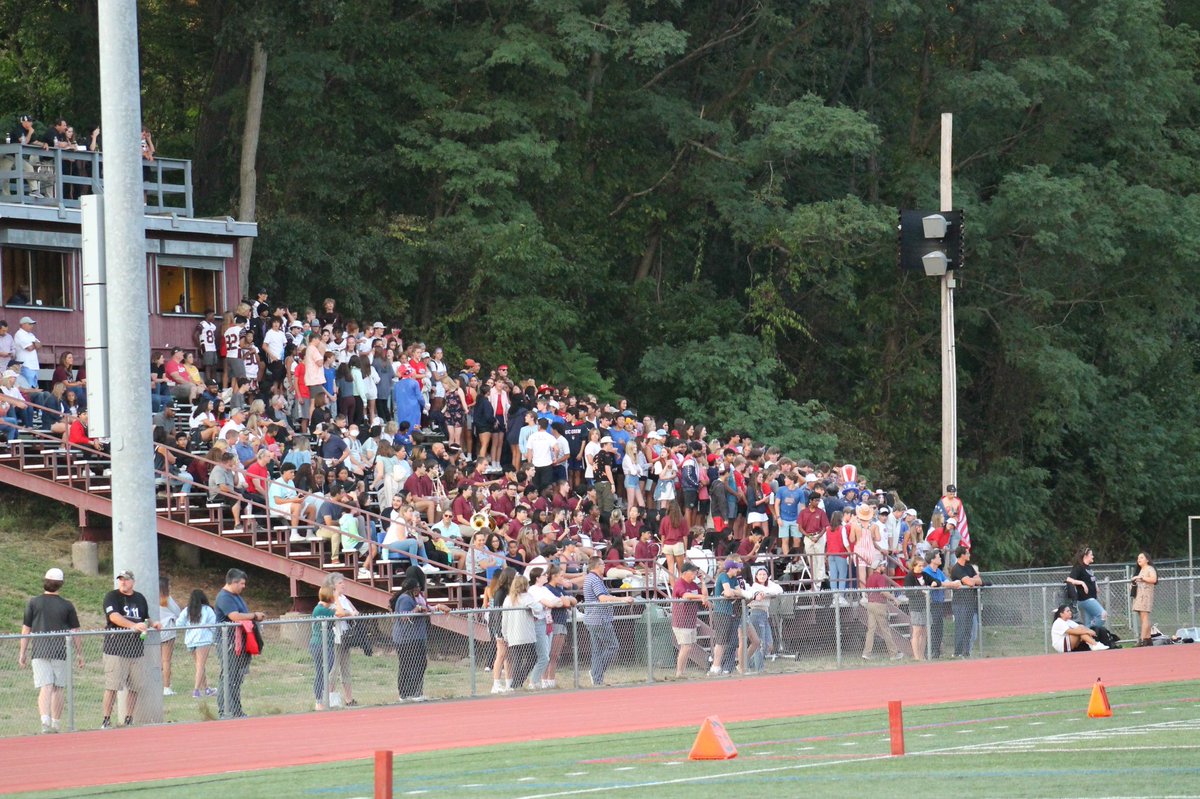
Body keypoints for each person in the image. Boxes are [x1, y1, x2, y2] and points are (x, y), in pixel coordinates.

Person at [19, 567, 83, 734]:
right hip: (60, 650)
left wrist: (22, 653)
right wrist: (79, 653)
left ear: (45, 582)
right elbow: (75, 631)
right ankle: (56, 722)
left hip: (39, 650)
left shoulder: (33, 602)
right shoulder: (67, 605)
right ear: (61, 584)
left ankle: (45, 721)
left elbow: (26, 629)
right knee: (58, 687)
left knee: (45, 686)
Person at [101, 570, 160, 728]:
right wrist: (133, 626)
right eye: (120, 580)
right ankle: (106, 719)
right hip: (116, 649)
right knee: (112, 686)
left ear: (132, 581)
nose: (123, 582)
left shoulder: (139, 598)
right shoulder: (112, 596)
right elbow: (113, 616)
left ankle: (129, 718)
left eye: (126, 580)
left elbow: (145, 617)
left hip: (135, 649)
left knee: (135, 686)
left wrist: (152, 623)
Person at [214, 568, 266, 719]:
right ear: (233, 582)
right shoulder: (224, 597)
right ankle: (225, 711)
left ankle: (236, 710)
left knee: (236, 679)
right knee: (229, 677)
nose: (244, 586)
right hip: (229, 643)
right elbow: (235, 616)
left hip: (240, 644)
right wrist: (254, 615)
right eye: (242, 583)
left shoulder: (235, 596)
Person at [582, 555, 634, 686]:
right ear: (597, 566)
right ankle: (596, 672)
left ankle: (597, 678)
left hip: (592, 618)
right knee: (612, 645)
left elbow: (604, 596)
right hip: (599, 619)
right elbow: (602, 598)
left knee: (597, 649)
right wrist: (622, 599)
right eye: (603, 565)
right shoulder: (595, 580)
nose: (604, 567)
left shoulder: (590, 578)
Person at [393, 575, 444, 701]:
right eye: (417, 588)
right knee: (410, 664)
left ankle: (411, 692)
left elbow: (426, 607)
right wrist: (417, 609)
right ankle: (409, 693)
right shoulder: (405, 599)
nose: (419, 590)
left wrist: (433, 607)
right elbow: (404, 617)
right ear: (411, 589)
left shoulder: (415, 598)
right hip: (407, 638)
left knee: (418, 663)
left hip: (416, 636)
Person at [501, 574, 542, 690]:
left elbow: (504, 619)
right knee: (532, 657)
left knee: (517, 659)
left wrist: (505, 634)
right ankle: (517, 682)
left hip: (513, 635)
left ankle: (516, 683)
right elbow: (538, 608)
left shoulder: (508, 599)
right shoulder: (525, 597)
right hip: (526, 634)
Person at [175, 589, 217, 698]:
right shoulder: (208, 610)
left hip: (190, 641)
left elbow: (178, 624)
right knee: (200, 665)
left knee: (199, 666)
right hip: (203, 640)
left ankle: (207, 689)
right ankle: (196, 690)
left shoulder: (187, 610)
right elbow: (213, 625)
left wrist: (188, 627)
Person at [670, 561, 709, 679]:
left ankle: (682, 671)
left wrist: (702, 581)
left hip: (691, 621)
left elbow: (704, 594)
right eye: (693, 572)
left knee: (688, 647)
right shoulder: (680, 583)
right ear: (686, 572)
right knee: (685, 646)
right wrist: (700, 597)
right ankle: (679, 672)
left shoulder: (693, 584)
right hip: (681, 621)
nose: (695, 574)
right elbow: (685, 595)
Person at [861, 558, 904, 660]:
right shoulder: (880, 577)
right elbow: (883, 591)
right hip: (879, 605)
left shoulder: (870, 578)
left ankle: (866, 653)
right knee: (885, 630)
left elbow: (867, 591)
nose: (884, 567)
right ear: (878, 567)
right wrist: (894, 599)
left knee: (871, 630)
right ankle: (893, 654)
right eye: (883, 566)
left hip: (870, 604)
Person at [743, 566, 783, 671]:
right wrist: (768, 592)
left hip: (765, 614)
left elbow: (779, 590)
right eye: (760, 574)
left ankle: (749, 663)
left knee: (768, 645)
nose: (762, 576)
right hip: (756, 613)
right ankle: (757, 667)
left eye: (764, 574)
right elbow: (762, 591)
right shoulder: (755, 586)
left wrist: (767, 592)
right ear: (756, 576)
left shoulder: (769, 585)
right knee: (759, 643)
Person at [949, 546, 982, 658]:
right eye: (967, 553)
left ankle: (966, 652)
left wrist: (971, 581)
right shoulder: (956, 569)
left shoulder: (969, 567)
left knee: (969, 628)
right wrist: (971, 581)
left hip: (969, 602)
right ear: (962, 555)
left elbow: (979, 581)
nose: (969, 555)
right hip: (959, 603)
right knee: (961, 628)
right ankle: (957, 652)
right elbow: (971, 582)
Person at [309, 586, 337, 710]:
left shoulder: (324, 608)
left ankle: (322, 699)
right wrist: (338, 600)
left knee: (325, 671)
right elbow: (340, 613)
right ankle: (319, 700)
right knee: (322, 671)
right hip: (320, 644)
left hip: (326, 644)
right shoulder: (320, 610)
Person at [1065, 547, 1107, 630]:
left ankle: (1086, 638)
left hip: (1092, 598)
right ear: (1085, 556)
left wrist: (1096, 585)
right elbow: (1069, 579)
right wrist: (1082, 583)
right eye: (1091, 554)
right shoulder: (1078, 567)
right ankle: (1087, 629)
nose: (1093, 556)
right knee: (1103, 615)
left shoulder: (1089, 568)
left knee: (1088, 621)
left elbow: (1090, 579)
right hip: (1085, 599)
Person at [903, 556, 935, 659]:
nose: (922, 568)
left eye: (923, 566)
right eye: (919, 566)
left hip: (925, 606)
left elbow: (936, 581)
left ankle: (922, 655)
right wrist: (921, 592)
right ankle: (916, 657)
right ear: (914, 566)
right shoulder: (909, 577)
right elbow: (908, 592)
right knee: (917, 631)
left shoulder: (924, 575)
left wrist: (934, 583)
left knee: (924, 631)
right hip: (915, 607)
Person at [159, 575, 182, 696]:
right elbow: (178, 612)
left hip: (155, 631)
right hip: (167, 631)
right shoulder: (167, 599)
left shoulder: (151, 597)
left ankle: (157, 685)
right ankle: (166, 687)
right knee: (166, 660)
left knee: (157, 661)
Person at [1131, 551, 1158, 646]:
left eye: (1141, 557)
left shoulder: (1149, 568)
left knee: (1145, 617)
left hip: (1146, 595)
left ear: (1147, 559)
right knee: (1142, 618)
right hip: (1139, 595)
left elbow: (1154, 579)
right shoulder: (1140, 570)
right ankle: (1148, 638)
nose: (1139, 559)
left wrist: (1141, 578)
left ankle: (1142, 639)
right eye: (1138, 558)